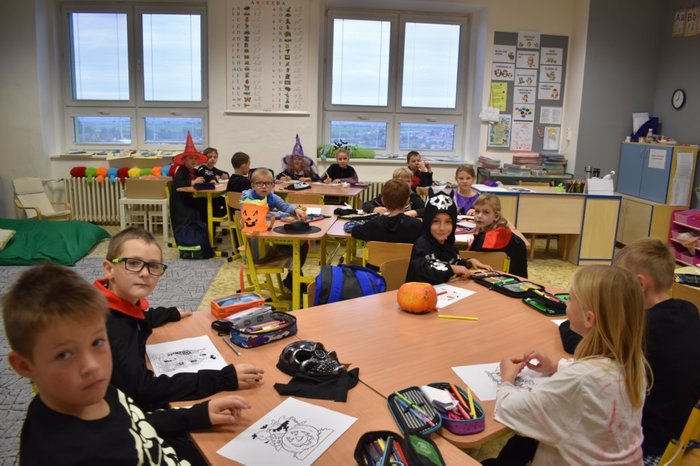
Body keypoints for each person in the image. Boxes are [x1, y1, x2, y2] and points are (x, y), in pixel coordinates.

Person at [5, 263, 252, 466]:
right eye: (64, 355)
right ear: (24, 366)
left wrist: (198, 413)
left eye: (97, 342)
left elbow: (136, 422)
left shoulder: (93, 391)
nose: (92, 365)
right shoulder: (78, 454)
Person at [559, 238, 700, 465]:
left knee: (559, 414)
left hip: (647, 444)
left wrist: (570, 321)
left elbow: (580, 344)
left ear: (639, 284)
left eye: (618, 280)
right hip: (682, 433)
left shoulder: (640, 327)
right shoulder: (689, 310)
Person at [94, 226, 264, 413]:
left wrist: (168, 313)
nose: (145, 273)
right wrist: (223, 378)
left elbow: (135, 316)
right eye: (133, 263)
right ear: (109, 269)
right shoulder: (109, 328)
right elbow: (145, 390)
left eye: (153, 266)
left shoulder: (103, 302)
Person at [489, 265, 647, 465]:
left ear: (589, 318)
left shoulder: (581, 379)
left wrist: (507, 379)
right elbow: (595, 376)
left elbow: (509, 409)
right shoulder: (634, 362)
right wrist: (555, 366)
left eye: (570, 298)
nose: (565, 303)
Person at [405, 188, 492, 284]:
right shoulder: (422, 245)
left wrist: (469, 262)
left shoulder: (450, 247)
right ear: (428, 222)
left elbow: (453, 262)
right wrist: (452, 269)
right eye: (436, 221)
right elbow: (424, 269)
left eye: (448, 222)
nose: (442, 228)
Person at [242, 167, 309, 290]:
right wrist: (281, 214)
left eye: (268, 183)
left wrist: (296, 210)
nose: (264, 187)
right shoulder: (248, 198)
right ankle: (295, 281)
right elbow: (261, 215)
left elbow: (285, 206)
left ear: (273, 185)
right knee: (295, 248)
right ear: (252, 185)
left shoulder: (271, 196)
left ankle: (293, 279)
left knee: (302, 244)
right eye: (259, 183)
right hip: (257, 250)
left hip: (269, 241)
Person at [469, 194, 529, 278]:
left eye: (486, 212)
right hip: (515, 277)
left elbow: (471, 258)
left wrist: (472, 245)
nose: (479, 216)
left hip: (496, 276)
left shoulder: (486, 238)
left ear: (496, 216)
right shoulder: (503, 230)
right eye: (477, 211)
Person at [351, 178, 422, 244]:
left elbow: (354, 231)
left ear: (383, 201)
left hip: (378, 254)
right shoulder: (416, 225)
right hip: (406, 254)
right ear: (407, 200)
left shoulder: (373, 224)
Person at [170, 132, 208, 233]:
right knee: (202, 207)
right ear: (184, 160)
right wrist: (193, 182)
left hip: (190, 199)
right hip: (181, 204)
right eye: (190, 158)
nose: (193, 160)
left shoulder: (194, 170)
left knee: (207, 204)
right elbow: (177, 183)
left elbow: (206, 176)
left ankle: (205, 233)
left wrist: (213, 178)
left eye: (195, 158)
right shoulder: (182, 170)